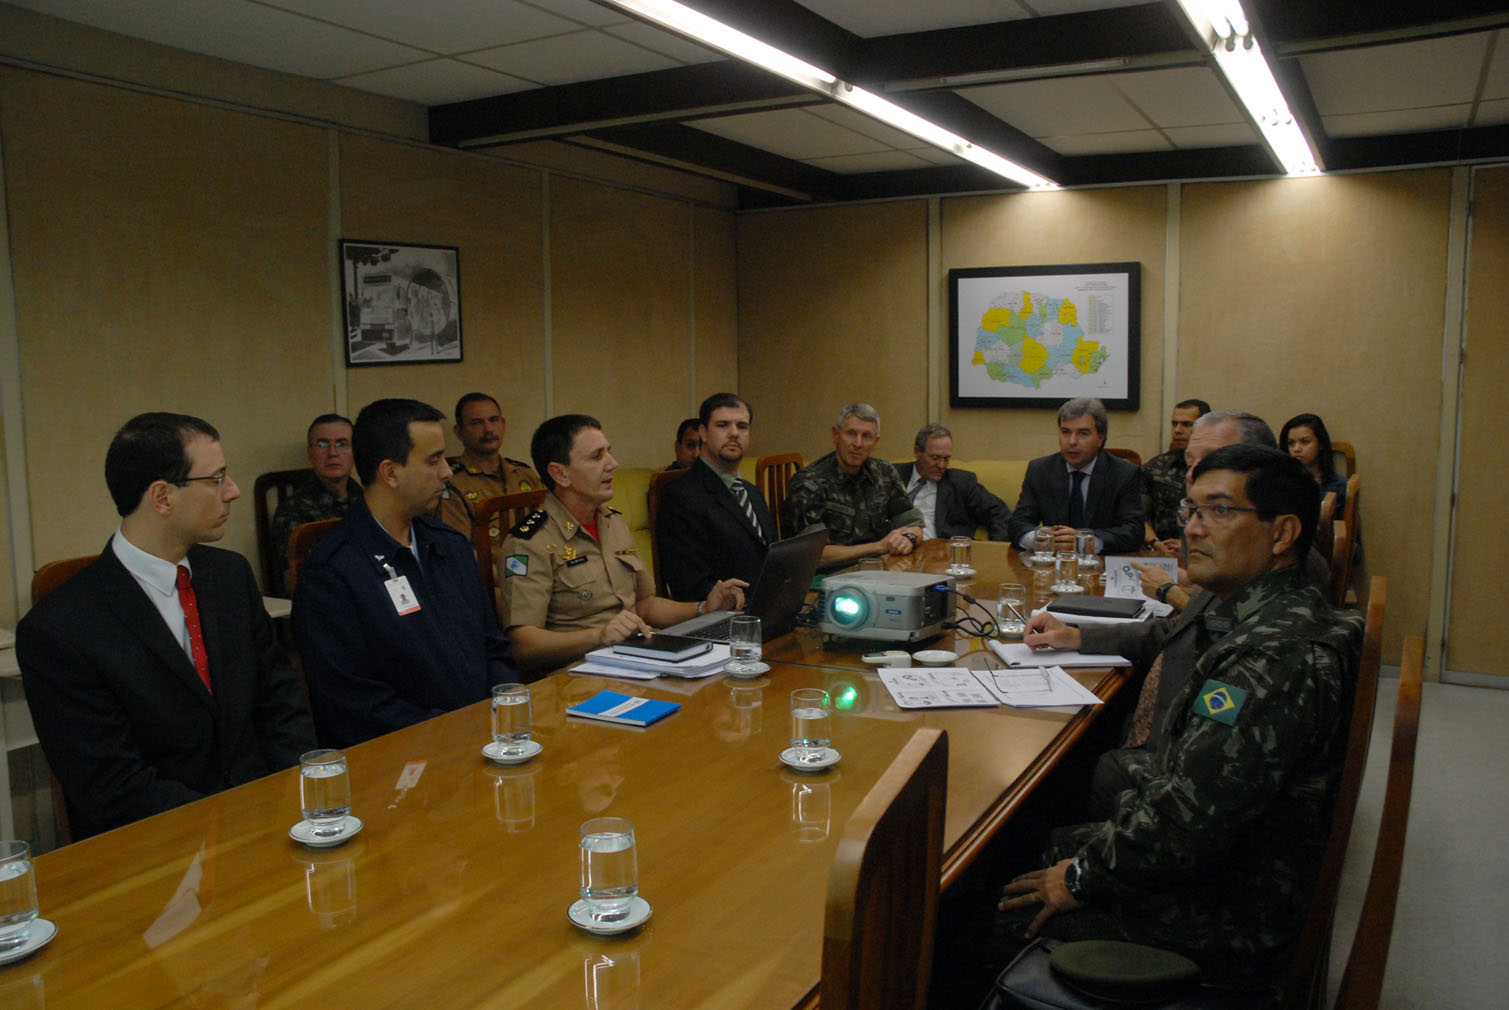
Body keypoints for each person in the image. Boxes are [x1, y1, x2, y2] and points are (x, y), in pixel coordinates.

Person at [999, 445, 1363, 986]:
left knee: (999, 903)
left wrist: (1078, 877)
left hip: (1229, 912)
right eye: (1191, 510)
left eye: (1219, 510)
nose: (1193, 528)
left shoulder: (1271, 656)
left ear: (1283, 534)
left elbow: (1184, 824)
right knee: (1042, 837)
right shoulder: (1266, 610)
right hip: (1227, 860)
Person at [17, 412, 315, 838]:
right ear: (161, 497)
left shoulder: (229, 575)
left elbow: (281, 701)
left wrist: (293, 801)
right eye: (216, 479)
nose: (232, 491)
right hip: (162, 843)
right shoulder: (60, 629)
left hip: (272, 818)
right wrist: (231, 825)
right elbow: (112, 785)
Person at [293, 398, 517, 748]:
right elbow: (351, 702)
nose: (447, 472)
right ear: (390, 473)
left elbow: (494, 647)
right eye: (434, 460)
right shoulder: (333, 572)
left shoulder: (450, 546)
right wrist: (454, 734)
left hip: (489, 739)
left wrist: (504, 709)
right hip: (407, 756)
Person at [499, 414, 745, 671]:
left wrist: (704, 608)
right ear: (560, 474)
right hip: (575, 675)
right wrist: (599, 635)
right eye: (597, 456)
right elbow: (522, 645)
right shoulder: (528, 543)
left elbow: (644, 605)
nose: (613, 463)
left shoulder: (612, 522)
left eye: (609, 452)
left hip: (634, 660)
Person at [655, 393, 777, 600]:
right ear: (703, 433)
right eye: (723, 425)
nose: (734, 433)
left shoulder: (752, 492)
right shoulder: (680, 497)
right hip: (724, 614)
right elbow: (688, 586)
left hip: (770, 605)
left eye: (742, 426)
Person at [782, 403, 924, 566]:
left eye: (866, 436)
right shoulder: (809, 482)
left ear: (875, 442)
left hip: (878, 567)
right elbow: (813, 554)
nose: (858, 443)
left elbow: (914, 525)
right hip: (828, 574)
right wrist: (879, 546)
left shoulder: (884, 473)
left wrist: (909, 538)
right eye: (851, 434)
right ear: (836, 435)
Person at [1005, 397, 1144, 554]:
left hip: (1100, 563)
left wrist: (1087, 542)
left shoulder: (1124, 473)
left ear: (1100, 438)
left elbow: (1134, 532)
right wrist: (1036, 539)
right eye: (1066, 432)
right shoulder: (1040, 470)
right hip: (1053, 562)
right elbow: (1017, 523)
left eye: (1083, 433)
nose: (1072, 441)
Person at [269, 413, 363, 595]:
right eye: (323, 444)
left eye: (342, 444)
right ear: (310, 453)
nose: (333, 453)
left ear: (356, 451)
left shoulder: (368, 501)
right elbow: (303, 579)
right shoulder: (294, 510)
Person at [433, 392, 542, 535]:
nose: (488, 429)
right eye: (477, 423)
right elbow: (457, 545)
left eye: (493, 420)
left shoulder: (525, 474)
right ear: (459, 432)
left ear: (503, 424)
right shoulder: (452, 484)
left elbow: (546, 528)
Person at [893, 423, 1011, 540]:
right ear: (917, 452)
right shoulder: (893, 475)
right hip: (893, 546)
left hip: (939, 549)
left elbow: (1000, 513)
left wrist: (995, 548)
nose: (941, 465)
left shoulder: (961, 482)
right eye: (935, 458)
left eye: (946, 459)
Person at [1140, 398, 1209, 554]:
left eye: (1187, 424)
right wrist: (1155, 543)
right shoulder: (1155, 467)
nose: (1177, 430)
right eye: (1174, 424)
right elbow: (1137, 516)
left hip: (1205, 548)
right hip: (1160, 549)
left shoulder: (1218, 470)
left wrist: (1187, 543)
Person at [1281, 412, 1348, 511]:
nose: (1296, 449)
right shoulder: (1281, 483)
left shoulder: (1340, 486)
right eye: (1291, 443)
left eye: (1305, 441)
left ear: (1321, 444)